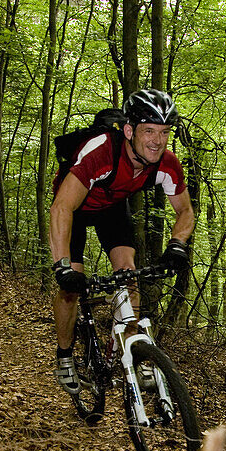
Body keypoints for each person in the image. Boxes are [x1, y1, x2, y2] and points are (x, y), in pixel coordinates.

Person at [49, 88, 195, 394]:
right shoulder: (100, 151)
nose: (158, 141)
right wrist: (63, 266)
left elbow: (185, 210)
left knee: (128, 274)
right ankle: (64, 356)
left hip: (111, 208)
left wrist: (177, 244)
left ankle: (132, 353)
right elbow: (62, 207)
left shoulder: (165, 163)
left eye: (165, 132)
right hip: (75, 207)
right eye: (149, 131)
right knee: (69, 288)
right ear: (129, 131)